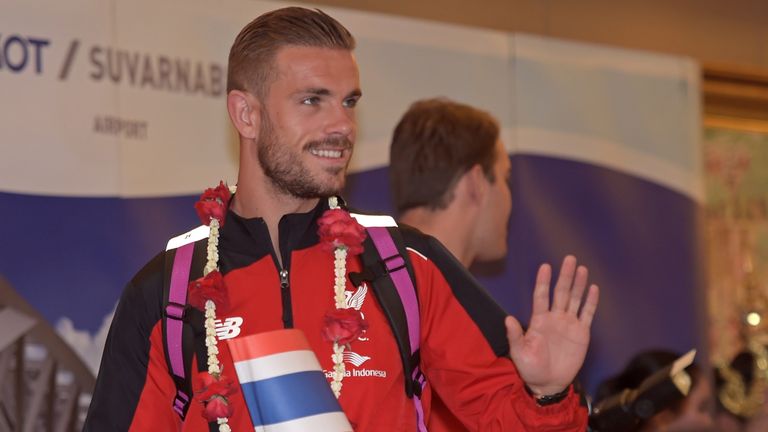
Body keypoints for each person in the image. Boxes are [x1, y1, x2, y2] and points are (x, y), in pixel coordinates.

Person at [84, 7, 599, 431]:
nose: (342, 126)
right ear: (246, 114)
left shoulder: (405, 265)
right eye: (313, 100)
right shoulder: (167, 291)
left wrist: (549, 393)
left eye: (349, 102)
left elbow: (507, 418)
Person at [388, 98, 512, 431]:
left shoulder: (354, 292)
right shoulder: (474, 329)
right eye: (504, 178)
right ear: (475, 182)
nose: (508, 198)